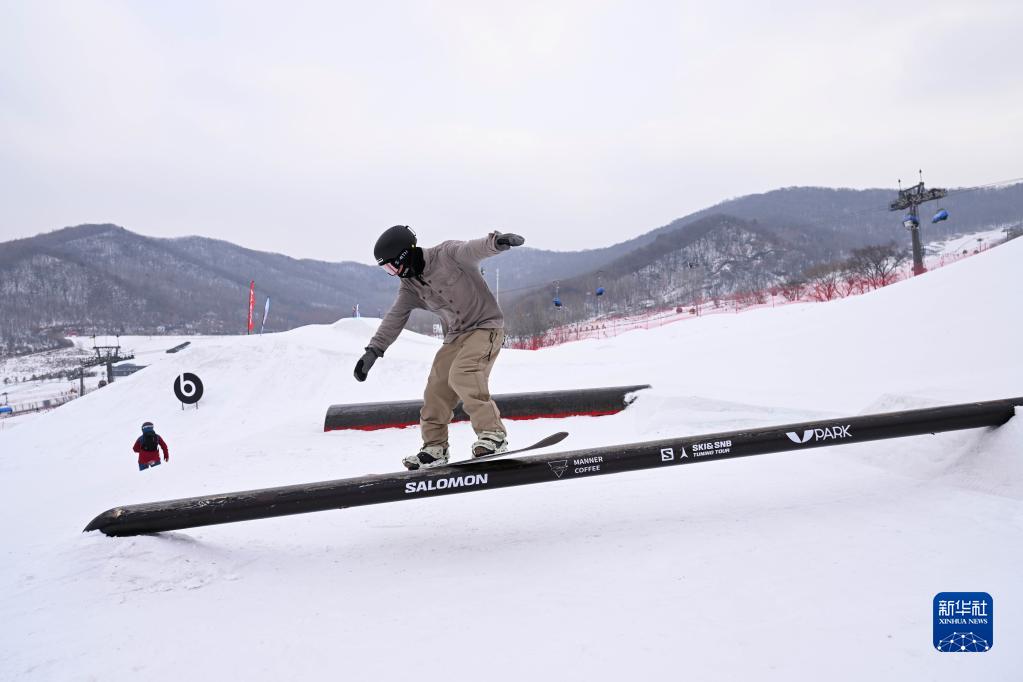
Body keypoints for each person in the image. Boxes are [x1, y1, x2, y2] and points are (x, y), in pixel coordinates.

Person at [355, 225, 525, 470]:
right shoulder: (410, 286)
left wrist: (497, 242)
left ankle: (493, 434)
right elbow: (395, 317)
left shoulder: (446, 255)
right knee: (436, 388)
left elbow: (472, 249)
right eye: (387, 270)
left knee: (464, 373)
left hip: (485, 327)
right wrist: (373, 350)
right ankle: (434, 448)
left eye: (392, 267)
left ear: (405, 255)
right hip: (456, 335)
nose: (393, 273)